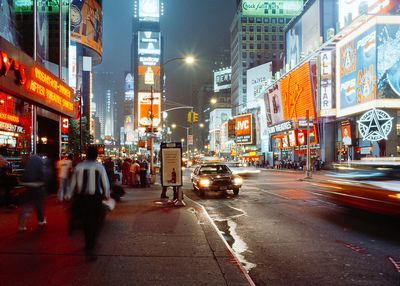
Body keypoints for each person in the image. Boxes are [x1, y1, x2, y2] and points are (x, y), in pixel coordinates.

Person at [65, 146, 110, 261]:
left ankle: (88, 243)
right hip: (95, 198)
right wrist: (107, 194)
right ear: (96, 155)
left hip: (82, 198)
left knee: (86, 222)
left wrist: (69, 195)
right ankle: (90, 246)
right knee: (95, 222)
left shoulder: (79, 167)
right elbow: (105, 183)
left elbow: (73, 183)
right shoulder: (99, 167)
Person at [18, 154, 47, 231]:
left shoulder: (29, 165)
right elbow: (43, 176)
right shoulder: (40, 163)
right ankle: (41, 220)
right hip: (38, 187)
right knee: (39, 205)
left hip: (29, 188)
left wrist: (23, 183)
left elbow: (24, 177)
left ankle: (22, 225)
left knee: (26, 206)